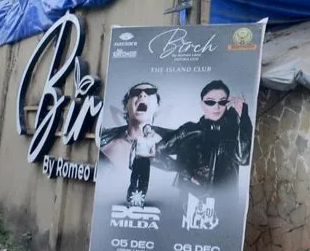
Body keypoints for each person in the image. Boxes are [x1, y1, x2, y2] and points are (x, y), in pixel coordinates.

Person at [164, 80, 253, 208]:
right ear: (202, 104)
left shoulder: (233, 132)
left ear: (227, 104)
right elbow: (156, 152)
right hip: (189, 202)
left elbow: (243, 158)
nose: (216, 107)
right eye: (210, 102)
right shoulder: (189, 130)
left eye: (222, 102)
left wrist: (243, 117)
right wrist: (186, 173)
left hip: (224, 205)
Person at [98, 82, 175, 207]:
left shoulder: (174, 141)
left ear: (157, 106)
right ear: (125, 106)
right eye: (135, 93)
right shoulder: (103, 141)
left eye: (150, 92)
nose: (142, 94)